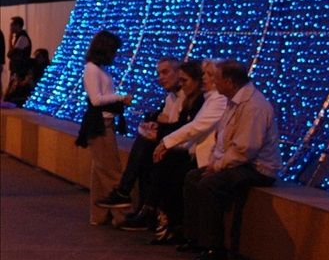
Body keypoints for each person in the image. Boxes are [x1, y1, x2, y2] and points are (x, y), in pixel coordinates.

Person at [180, 59, 281, 260]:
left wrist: (217, 166)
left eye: (216, 78)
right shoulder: (233, 101)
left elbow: (245, 149)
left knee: (210, 184)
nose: (212, 82)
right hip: (239, 162)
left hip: (257, 168)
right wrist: (213, 162)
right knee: (192, 177)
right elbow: (222, 139)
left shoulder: (253, 106)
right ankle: (194, 237)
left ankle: (214, 247)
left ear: (230, 82)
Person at [138, 59, 227, 243]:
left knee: (171, 169)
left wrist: (166, 142)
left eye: (210, 75)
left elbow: (196, 127)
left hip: (207, 158)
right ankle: (163, 219)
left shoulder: (217, 100)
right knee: (158, 159)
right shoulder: (207, 99)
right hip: (195, 152)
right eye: (205, 74)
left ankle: (170, 223)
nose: (205, 78)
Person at [96, 56, 183, 213]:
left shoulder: (187, 98)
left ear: (179, 73)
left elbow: (181, 127)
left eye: (165, 72)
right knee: (144, 152)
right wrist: (156, 124)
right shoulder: (171, 97)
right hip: (169, 142)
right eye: (159, 73)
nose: (161, 77)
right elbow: (164, 120)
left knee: (144, 145)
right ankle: (139, 208)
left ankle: (124, 192)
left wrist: (160, 127)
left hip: (182, 148)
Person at [75, 30, 132, 225]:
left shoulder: (98, 69)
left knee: (101, 172)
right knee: (112, 171)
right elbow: (96, 99)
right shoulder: (92, 69)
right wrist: (121, 98)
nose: (115, 54)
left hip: (104, 123)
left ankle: (99, 215)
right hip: (100, 124)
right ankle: (123, 216)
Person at [7, 17, 32, 93]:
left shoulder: (22, 38)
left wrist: (10, 40)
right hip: (17, 69)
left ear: (17, 25)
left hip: (20, 70)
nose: (11, 28)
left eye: (12, 25)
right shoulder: (19, 37)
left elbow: (12, 53)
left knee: (12, 92)